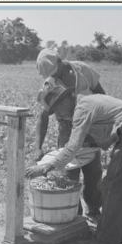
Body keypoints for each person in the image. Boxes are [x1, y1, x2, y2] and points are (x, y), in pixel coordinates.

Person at [26, 83, 122, 244]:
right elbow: (109, 136)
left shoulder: (82, 109)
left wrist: (46, 167)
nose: (58, 114)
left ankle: (106, 241)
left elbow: (72, 148)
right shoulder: (89, 101)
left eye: (57, 108)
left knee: (112, 188)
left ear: (67, 99)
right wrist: (94, 143)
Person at [35, 77, 102, 217]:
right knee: (70, 177)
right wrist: (38, 147)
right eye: (55, 110)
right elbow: (43, 117)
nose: (57, 112)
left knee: (93, 175)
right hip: (66, 132)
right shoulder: (49, 89)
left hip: (89, 131)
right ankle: (74, 214)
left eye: (59, 107)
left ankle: (94, 209)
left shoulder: (79, 93)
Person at [35, 48, 106, 161]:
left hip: (90, 126)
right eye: (51, 76)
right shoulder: (49, 85)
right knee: (68, 169)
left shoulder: (83, 70)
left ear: (60, 61)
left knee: (92, 169)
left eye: (55, 72)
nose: (55, 77)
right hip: (66, 129)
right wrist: (38, 148)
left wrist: (102, 127)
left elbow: (102, 95)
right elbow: (43, 116)